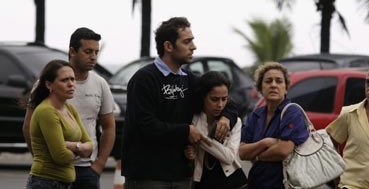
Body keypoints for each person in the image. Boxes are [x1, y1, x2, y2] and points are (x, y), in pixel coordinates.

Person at [121, 17, 237, 189]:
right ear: (168, 46)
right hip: (148, 175)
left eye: (193, 41)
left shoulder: (188, 79)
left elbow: (223, 98)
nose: (194, 47)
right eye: (187, 42)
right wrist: (186, 131)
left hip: (181, 175)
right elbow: (144, 125)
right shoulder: (144, 79)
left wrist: (226, 117)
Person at [23, 27, 116, 189]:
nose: (93, 57)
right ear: (72, 51)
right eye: (88, 51)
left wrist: (99, 165)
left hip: (86, 170)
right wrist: (40, 158)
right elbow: (29, 126)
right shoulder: (48, 85)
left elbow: (109, 127)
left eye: (96, 52)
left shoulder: (100, 84)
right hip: (52, 170)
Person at [239, 62, 309, 189]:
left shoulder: (291, 112)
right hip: (256, 182)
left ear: (286, 88)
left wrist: (257, 156)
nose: (273, 85)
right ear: (260, 88)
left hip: (283, 184)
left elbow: (283, 151)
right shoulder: (256, 115)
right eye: (268, 81)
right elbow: (242, 152)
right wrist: (264, 143)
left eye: (279, 81)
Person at [26, 60, 93, 188]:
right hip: (45, 183)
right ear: (49, 85)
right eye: (64, 80)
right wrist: (80, 149)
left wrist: (72, 145)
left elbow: (90, 146)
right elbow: (61, 156)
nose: (71, 84)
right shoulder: (46, 111)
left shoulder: (69, 109)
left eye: (73, 79)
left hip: (64, 183)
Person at [184, 71, 247, 189]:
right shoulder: (193, 119)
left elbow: (229, 157)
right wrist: (190, 154)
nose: (220, 104)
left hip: (233, 182)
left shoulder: (233, 121)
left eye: (224, 99)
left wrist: (200, 138)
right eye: (214, 99)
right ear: (203, 97)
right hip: (202, 182)